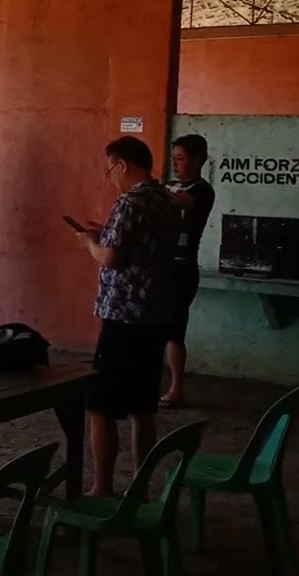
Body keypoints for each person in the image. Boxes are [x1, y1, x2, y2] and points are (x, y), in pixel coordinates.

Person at [76, 136, 180, 496]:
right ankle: (140, 486)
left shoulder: (129, 201)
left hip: (123, 317)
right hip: (153, 315)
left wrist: (91, 242)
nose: (110, 177)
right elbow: (141, 246)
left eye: (110, 169)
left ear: (123, 164)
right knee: (142, 407)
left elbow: (112, 258)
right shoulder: (166, 199)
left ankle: (101, 488)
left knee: (100, 406)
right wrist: (105, 232)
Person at [160, 134, 216, 409]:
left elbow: (182, 201)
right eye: (173, 159)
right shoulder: (166, 186)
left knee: (174, 331)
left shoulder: (202, 190)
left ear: (198, 161)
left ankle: (176, 388)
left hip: (181, 268)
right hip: (159, 264)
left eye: (180, 159)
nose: (175, 165)